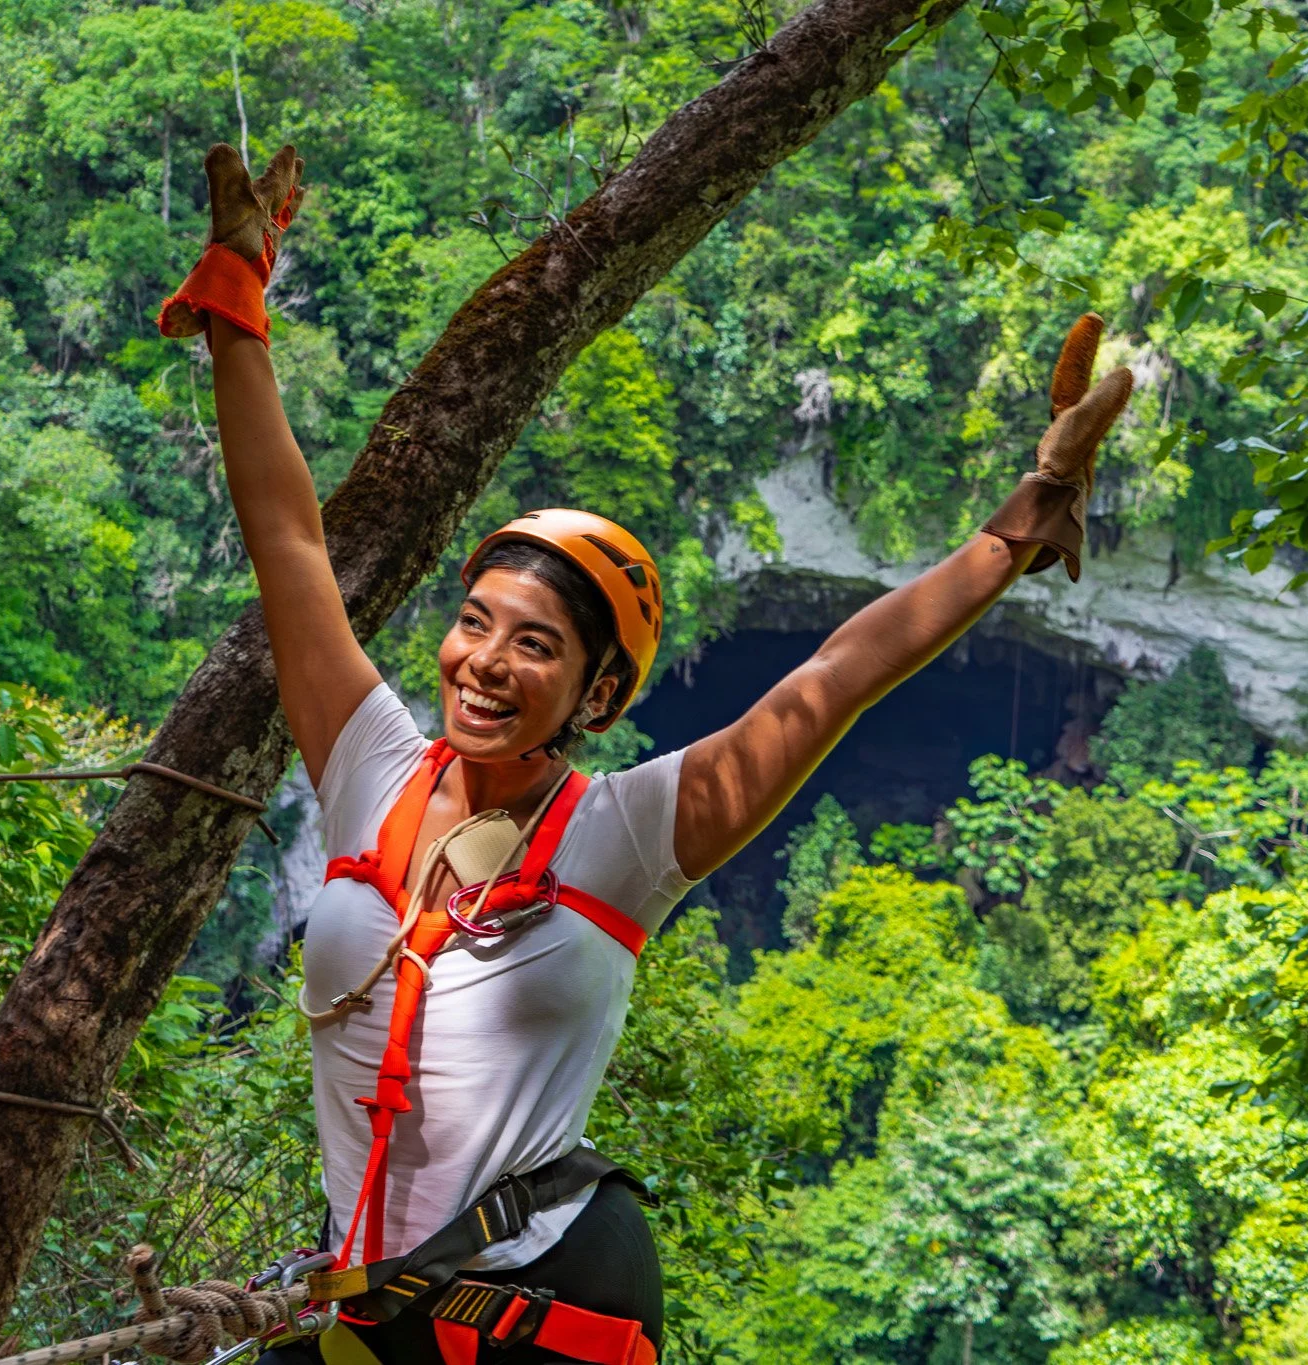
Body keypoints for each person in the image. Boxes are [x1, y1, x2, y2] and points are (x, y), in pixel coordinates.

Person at [157, 144, 1132, 1365]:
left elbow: (834, 677)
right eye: (474, 626)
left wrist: (1021, 518)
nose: (485, 665)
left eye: (535, 646)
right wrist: (238, 305)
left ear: (600, 692)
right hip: (370, 1305)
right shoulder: (369, 764)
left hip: (542, 1307)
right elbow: (289, 542)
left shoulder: (624, 835)